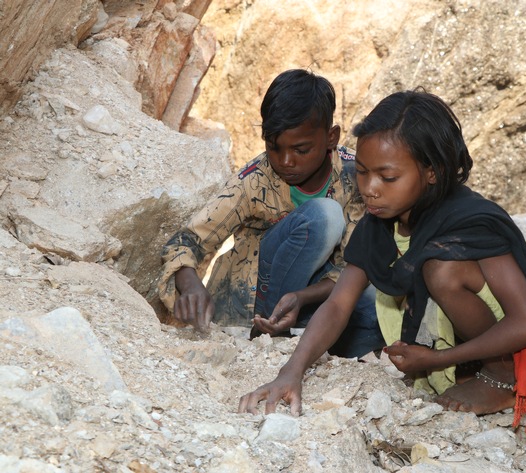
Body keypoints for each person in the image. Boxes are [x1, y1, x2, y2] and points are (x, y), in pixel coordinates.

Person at [239, 89, 526, 435]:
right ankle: (471, 365)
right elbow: (339, 304)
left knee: (441, 270)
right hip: (478, 329)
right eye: (363, 172)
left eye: (388, 177)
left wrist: (436, 359)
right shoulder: (380, 223)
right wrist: (291, 372)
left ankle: (501, 373)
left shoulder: (472, 220)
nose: (370, 188)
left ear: (432, 171)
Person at [157, 69, 384, 358]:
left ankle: (311, 342)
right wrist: (190, 285)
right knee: (323, 217)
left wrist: (300, 299)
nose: (286, 161)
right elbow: (187, 240)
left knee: (379, 304)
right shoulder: (254, 179)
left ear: (331, 137)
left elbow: (353, 267)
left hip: (318, 299)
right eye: (274, 148)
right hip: (253, 303)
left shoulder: (356, 175)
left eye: (301, 149)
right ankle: (267, 333)